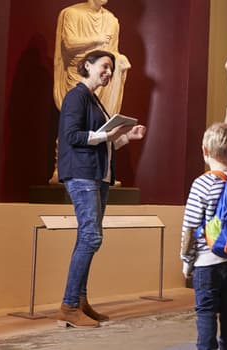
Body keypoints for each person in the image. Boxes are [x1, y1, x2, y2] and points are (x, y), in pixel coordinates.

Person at [55, 50, 146, 328]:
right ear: (88, 66)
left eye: (111, 68)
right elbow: (71, 136)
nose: (109, 72)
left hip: (97, 175)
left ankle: (79, 301)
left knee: (88, 238)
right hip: (82, 175)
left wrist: (126, 137)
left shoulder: (95, 100)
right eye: (105, 66)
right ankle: (69, 305)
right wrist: (108, 134)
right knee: (91, 237)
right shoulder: (76, 95)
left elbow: (103, 141)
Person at [180, 123, 227, 350]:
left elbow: (190, 226)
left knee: (206, 310)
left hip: (207, 261)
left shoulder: (202, 183)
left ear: (205, 151)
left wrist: (186, 260)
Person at [51, 0, 131, 184]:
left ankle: (100, 170)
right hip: (76, 73)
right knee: (76, 122)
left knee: (101, 121)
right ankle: (62, 168)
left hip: (102, 78)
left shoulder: (112, 20)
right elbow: (69, 45)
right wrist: (96, 40)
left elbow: (111, 53)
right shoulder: (71, 14)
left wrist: (118, 61)